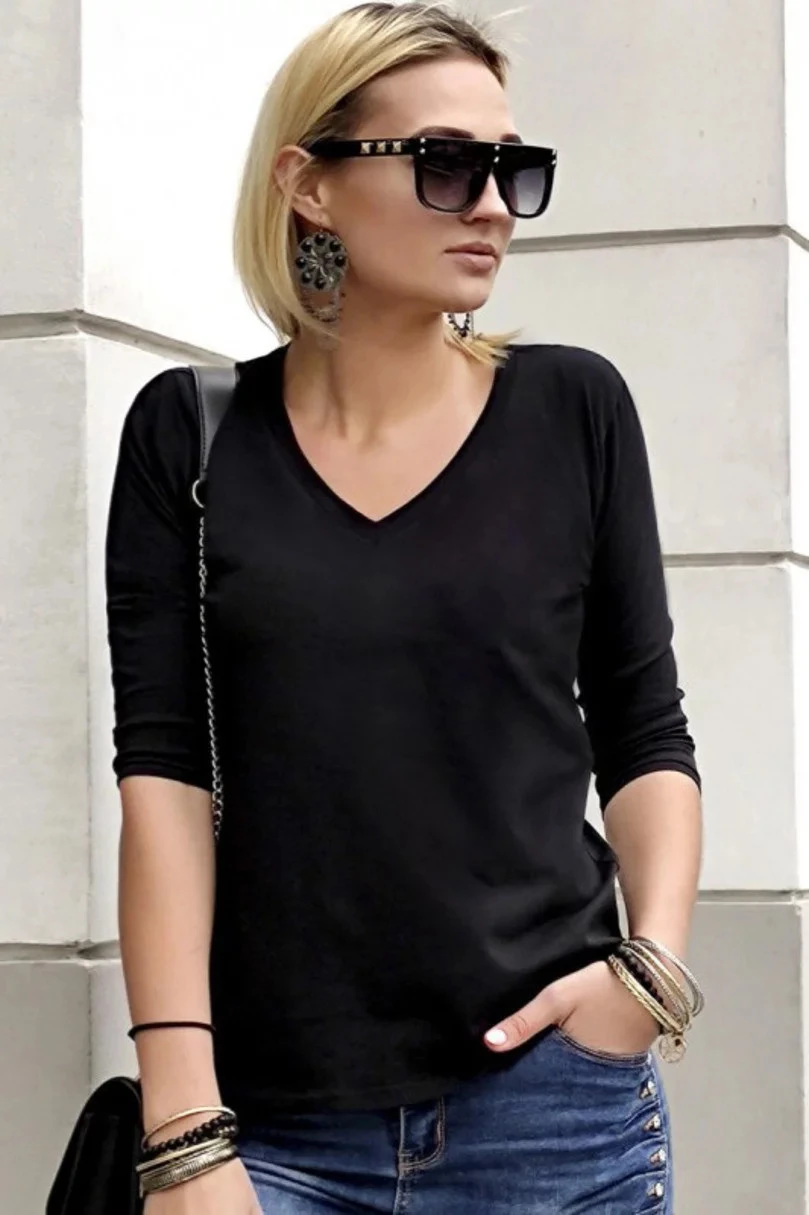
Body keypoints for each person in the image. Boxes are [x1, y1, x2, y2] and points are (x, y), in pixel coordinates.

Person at [105, 4, 703, 1213]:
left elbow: (642, 729)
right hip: (271, 1124)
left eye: (510, 169)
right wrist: (183, 1127)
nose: (492, 205)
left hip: (550, 1112)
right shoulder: (190, 435)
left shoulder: (572, 412)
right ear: (308, 186)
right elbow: (163, 779)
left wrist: (647, 977)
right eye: (444, 163)